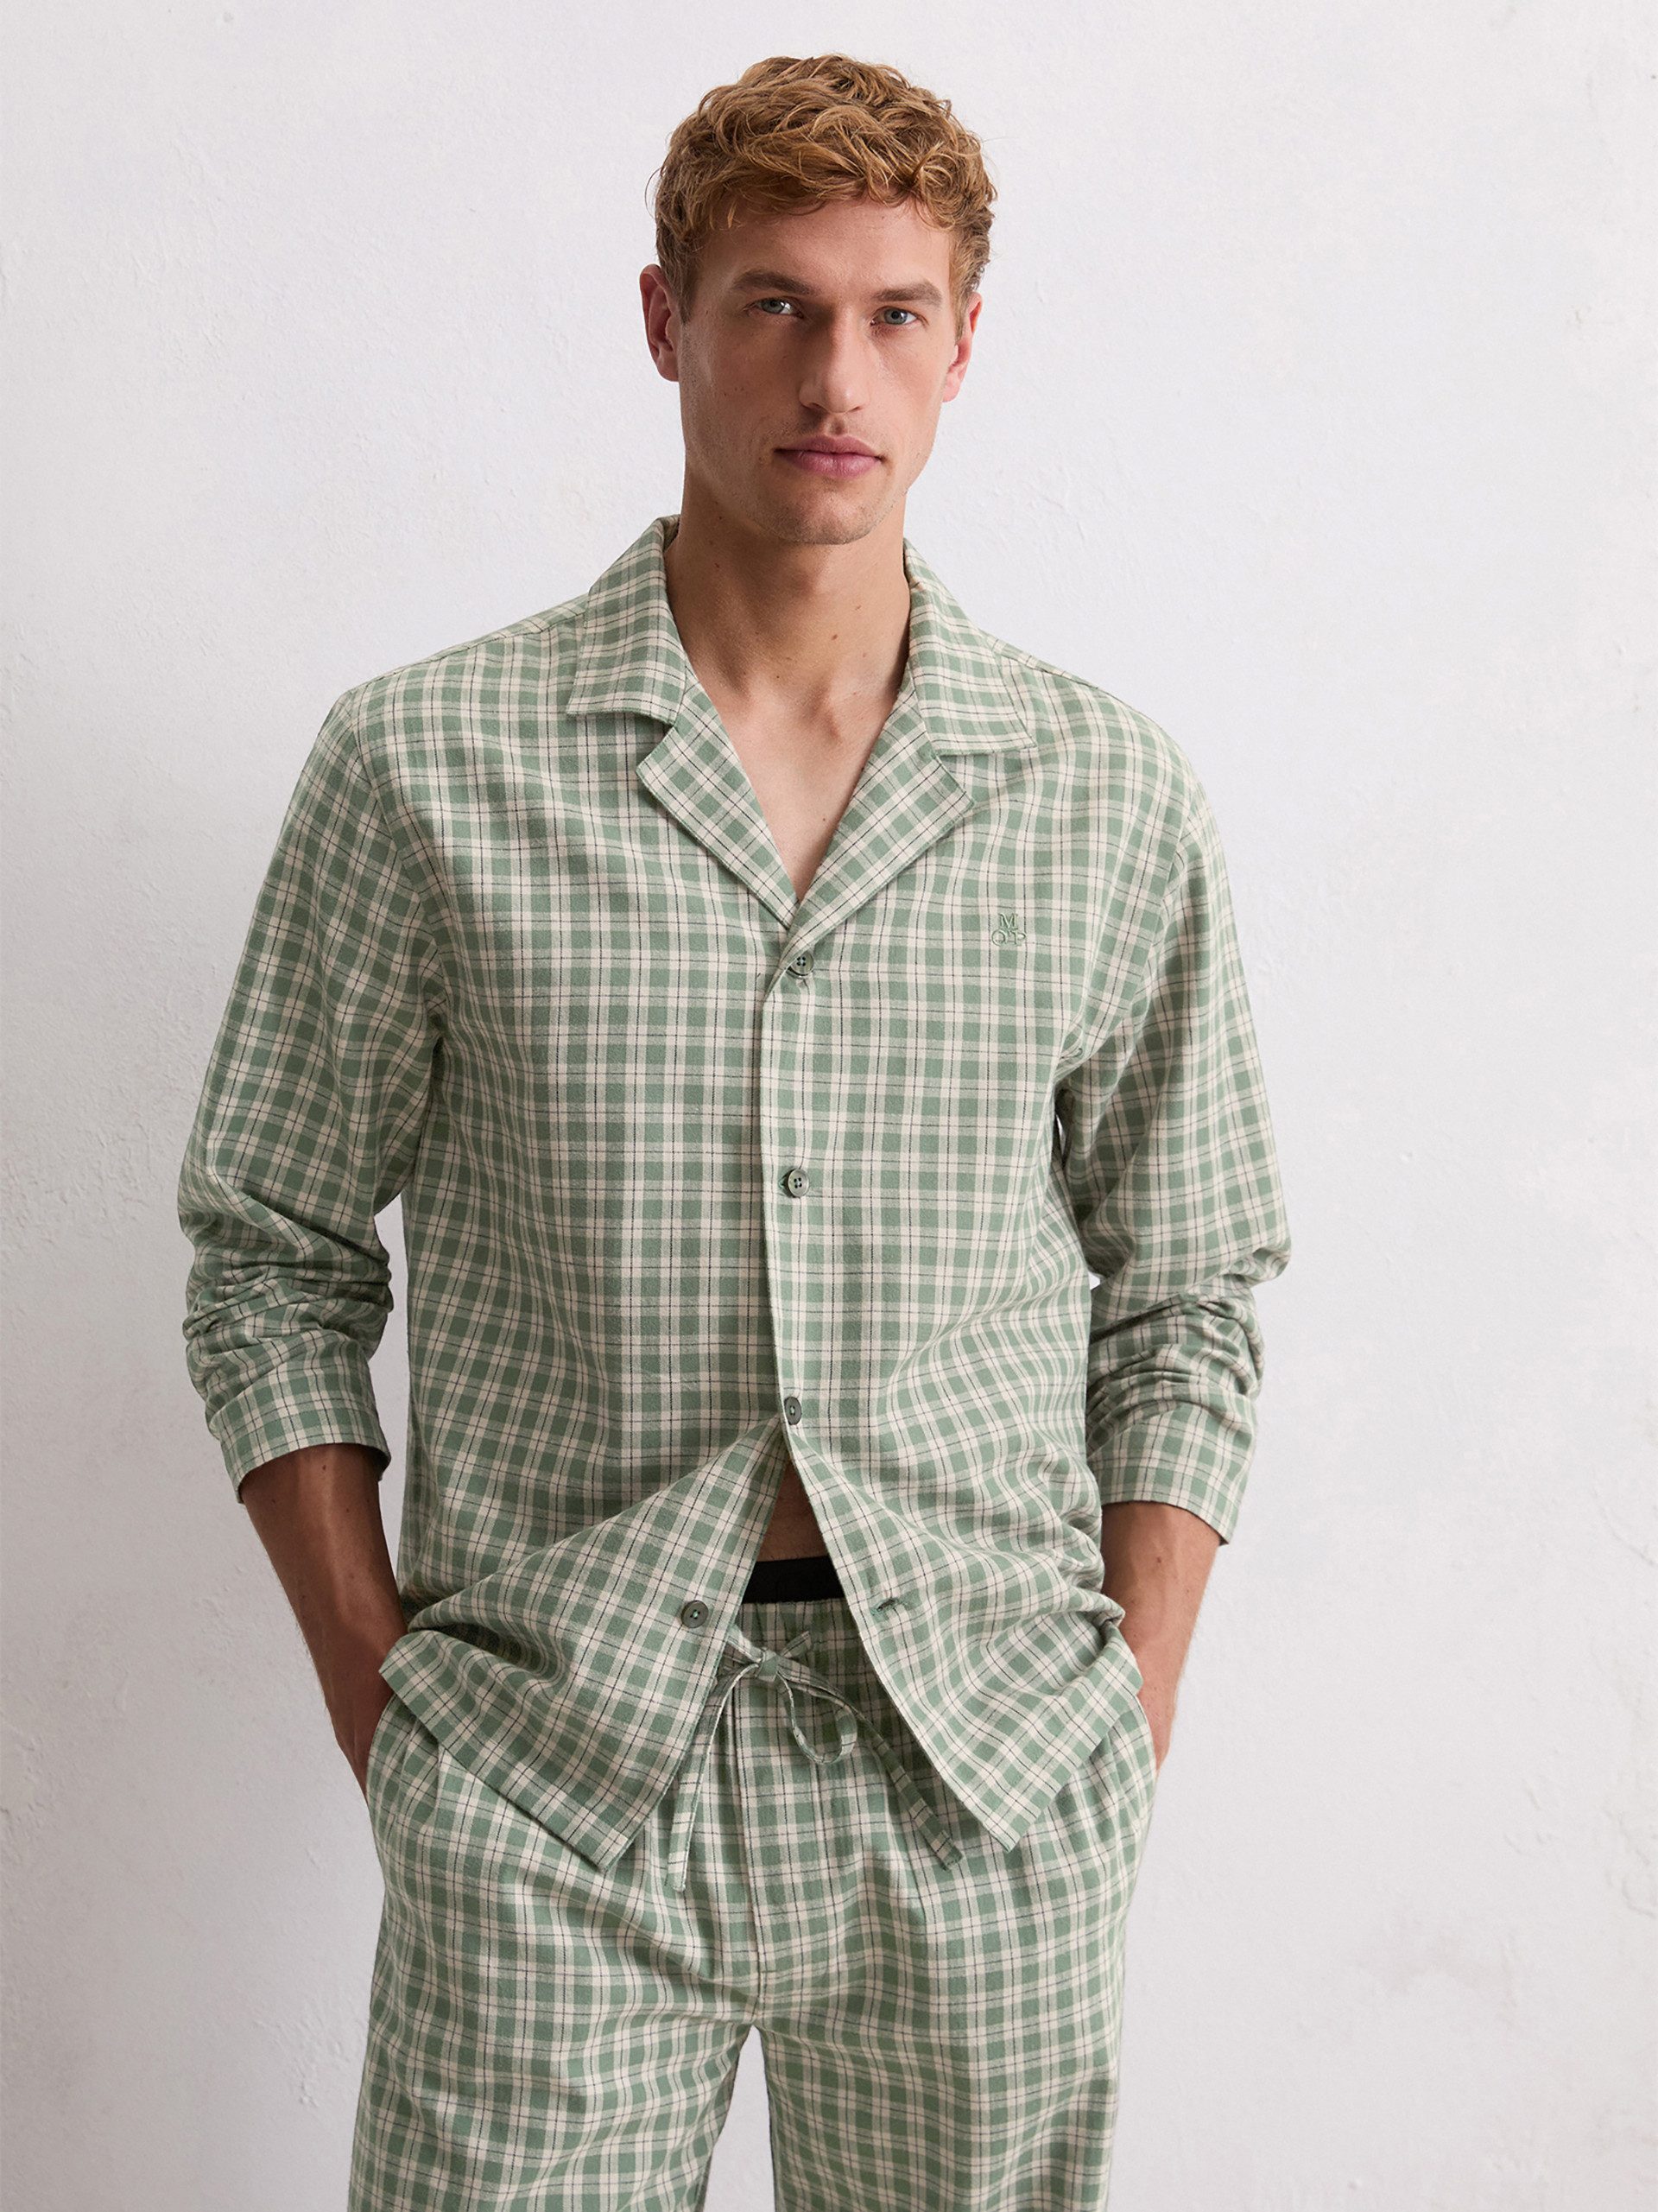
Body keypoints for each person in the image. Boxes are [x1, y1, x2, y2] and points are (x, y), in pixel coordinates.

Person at [176, 50, 1292, 2211]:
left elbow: (1191, 1289)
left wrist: (1124, 1722)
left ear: (965, 342)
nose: (833, 373)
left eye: (892, 312)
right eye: (774, 302)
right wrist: (386, 1705)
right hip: (552, 1766)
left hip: (983, 1770)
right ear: (666, 319)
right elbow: (270, 1255)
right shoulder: (426, 767)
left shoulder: (1102, 794)